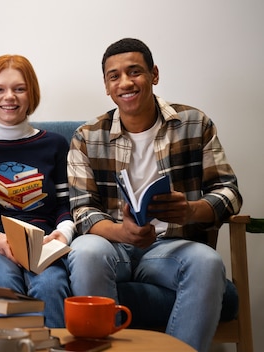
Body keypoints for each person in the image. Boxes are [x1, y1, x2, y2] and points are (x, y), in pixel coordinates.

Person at [67, 38, 242, 351]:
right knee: (86, 251)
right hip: (113, 246)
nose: (125, 82)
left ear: (154, 74)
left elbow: (228, 192)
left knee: (208, 262)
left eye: (135, 72)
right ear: (106, 87)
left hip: (171, 248)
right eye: (114, 76)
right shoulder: (87, 136)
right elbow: (82, 211)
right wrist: (122, 232)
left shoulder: (194, 123)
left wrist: (192, 209)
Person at [0, 55, 75, 328]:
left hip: (43, 245)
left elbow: (64, 206)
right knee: (5, 282)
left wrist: (63, 234)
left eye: (19, 89)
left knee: (51, 284)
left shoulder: (55, 145)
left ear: (31, 92)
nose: (9, 97)